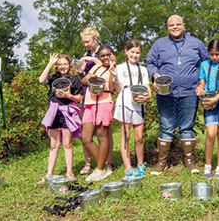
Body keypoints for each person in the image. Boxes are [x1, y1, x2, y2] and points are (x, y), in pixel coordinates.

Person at [146, 15, 209, 175]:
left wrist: (202, 83)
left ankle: (189, 161)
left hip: (190, 92)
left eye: (178, 24)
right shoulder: (159, 44)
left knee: (187, 126)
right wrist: (155, 76)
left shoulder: (196, 43)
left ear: (184, 25)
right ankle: (161, 163)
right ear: (167, 27)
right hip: (165, 93)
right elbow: (151, 63)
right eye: (171, 25)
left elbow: (207, 62)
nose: (175, 27)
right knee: (166, 127)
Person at [37, 53, 83, 183]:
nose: (63, 66)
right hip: (54, 112)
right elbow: (41, 80)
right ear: (57, 66)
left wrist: (69, 96)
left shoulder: (74, 79)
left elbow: (79, 98)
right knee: (53, 145)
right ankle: (49, 173)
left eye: (65, 64)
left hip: (67, 112)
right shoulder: (53, 77)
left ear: (70, 65)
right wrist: (50, 64)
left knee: (67, 144)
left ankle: (70, 172)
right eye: (60, 64)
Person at [113, 40, 152, 178]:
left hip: (138, 105)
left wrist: (146, 97)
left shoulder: (143, 69)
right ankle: (128, 167)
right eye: (132, 52)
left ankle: (140, 164)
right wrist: (115, 77)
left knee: (139, 137)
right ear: (126, 51)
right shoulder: (119, 67)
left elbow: (149, 91)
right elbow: (117, 89)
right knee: (126, 135)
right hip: (124, 104)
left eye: (137, 53)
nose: (134, 55)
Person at [78, 28, 114, 176]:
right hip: (89, 100)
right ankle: (97, 164)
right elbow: (83, 79)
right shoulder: (84, 57)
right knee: (86, 137)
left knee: (103, 134)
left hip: (103, 100)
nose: (86, 44)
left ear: (95, 39)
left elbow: (112, 87)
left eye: (88, 41)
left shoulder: (106, 59)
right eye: (84, 42)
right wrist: (85, 74)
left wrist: (96, 61)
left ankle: (104, 165)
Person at [195, 39, 219, 178]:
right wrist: (200, 89)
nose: (214, 57)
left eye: (217, 54)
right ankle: (207, 166)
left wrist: (215, 99)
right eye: (212, 54)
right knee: (211, 133)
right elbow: (202, 83)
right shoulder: (204, 64)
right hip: (209, 100)